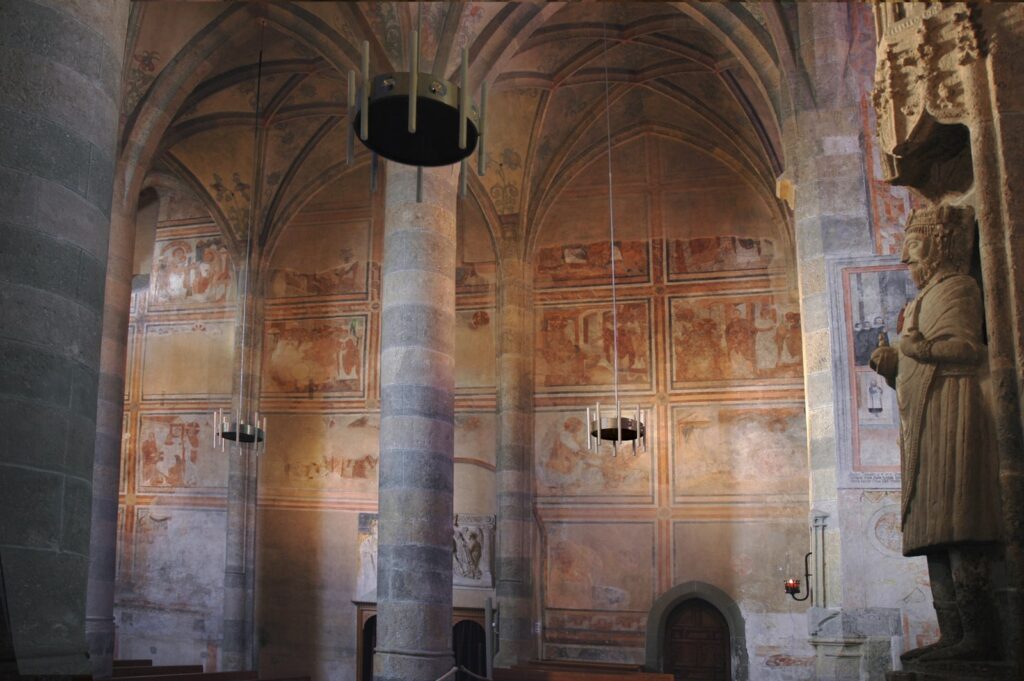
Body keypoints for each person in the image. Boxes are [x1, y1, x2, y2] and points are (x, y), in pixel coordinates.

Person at [869, 205, 1002, 662]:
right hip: (925, 419)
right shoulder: (925, 298)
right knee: (932, 533)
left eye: (913, 246)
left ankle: (980, 637)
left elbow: (966, 349)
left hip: (956, 414)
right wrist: (893, 366)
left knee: (959, 523)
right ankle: (953, 634)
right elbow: (917, 362)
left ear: (939, 244)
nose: (906, 260)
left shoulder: (959, 288)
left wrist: (913, 348)